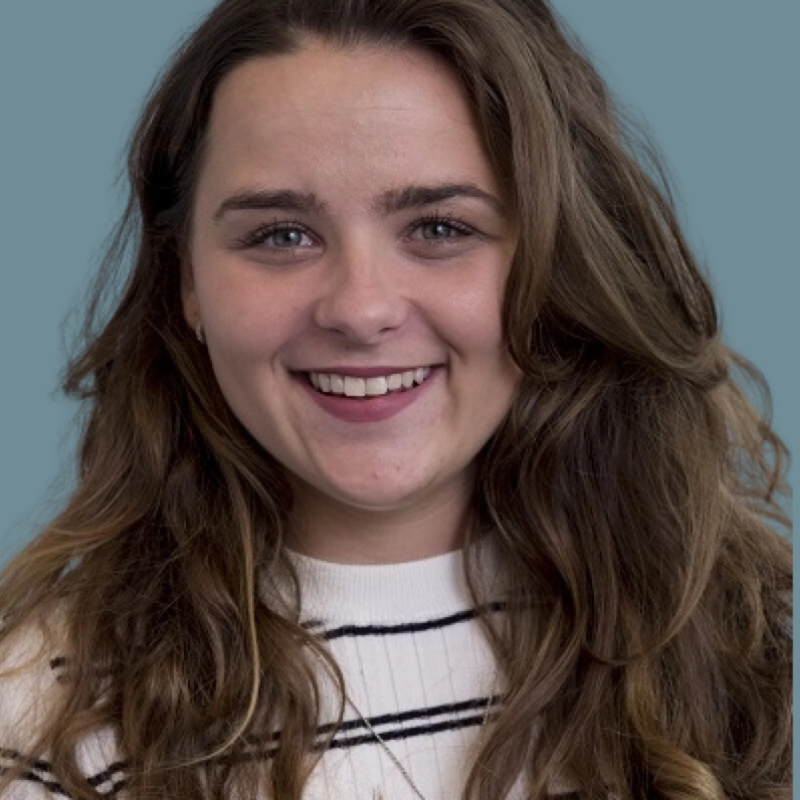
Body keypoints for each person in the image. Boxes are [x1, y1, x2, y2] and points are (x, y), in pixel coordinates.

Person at [0, 0, 791, 798]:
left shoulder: (737, 635)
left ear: (558, 262)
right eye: (280, 235)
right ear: (189, 284)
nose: (361, 308)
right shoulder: (42, 720)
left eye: (440, 228)